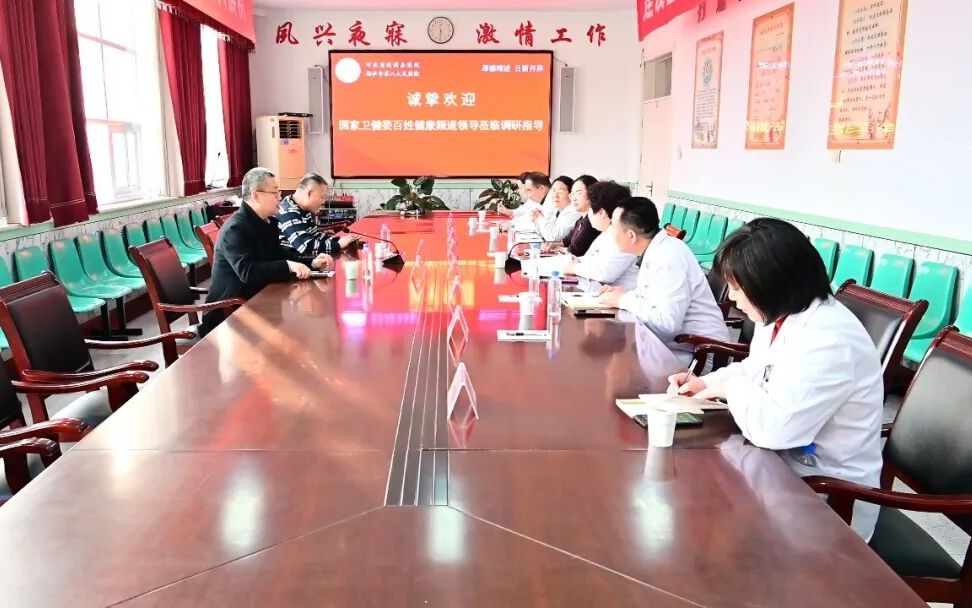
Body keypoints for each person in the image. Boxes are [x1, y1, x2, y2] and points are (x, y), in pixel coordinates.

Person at [667, 218, 883, 541]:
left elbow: (774, 430)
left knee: (703, 522)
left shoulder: (829, 340)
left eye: (737, 288)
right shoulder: (783, 315)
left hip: (828, 495)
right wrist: (707, 383)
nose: (733, 298)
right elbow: (755, 369)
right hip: (781, 469)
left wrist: (729, 388)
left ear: (771, 284)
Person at [199, 167, 333, 336]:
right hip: (229, 315)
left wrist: (311, 262)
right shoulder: (236, 228)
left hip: (258, 302)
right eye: (275, 192)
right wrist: (287, 265)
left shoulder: (267, 222)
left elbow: (279, 254)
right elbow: (248, 272)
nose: (280, 197)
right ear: (256, 195)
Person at [597, 197, 729, 357]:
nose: (610, 233)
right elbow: (653, 298)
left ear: (631, 235)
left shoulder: (668, 258)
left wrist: (623, 300)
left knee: (614, 356)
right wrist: (626, 294)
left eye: (614, 227)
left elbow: (667, 324)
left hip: (700, 351)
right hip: (674, 344)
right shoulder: (658, 249)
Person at [563, 181, 639, 291]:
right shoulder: (607, 232)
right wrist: (576, 261)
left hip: (617, 296)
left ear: (601, 212)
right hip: (601, 291)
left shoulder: (623, 236)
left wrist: (574, 267)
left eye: (590, 209)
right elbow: (590, 259)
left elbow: (604, 273)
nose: (589, 214)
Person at [278, 173, 359, 256]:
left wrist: (340, 240)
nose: (323, 202)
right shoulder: (289, 212)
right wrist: (338, 245)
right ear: (309, 193)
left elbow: (316, 236)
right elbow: (306, 247)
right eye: (322, 197)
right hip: (294, 261)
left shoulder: (301, 208)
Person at [532, 175, 579, 242]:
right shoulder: (556, 211)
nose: (555, 195)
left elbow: (553, 238)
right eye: (553, 191)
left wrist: (540, 218)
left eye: (560, 192)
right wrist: (537, 219)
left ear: (571, 195)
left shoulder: (574, 213)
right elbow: (542, 234)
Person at [561, 175, 599, 256]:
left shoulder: (592, 221)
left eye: (578, 193)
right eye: (572, 194)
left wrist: (556, 248)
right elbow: (566, 241)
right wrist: (552, 244)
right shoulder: (581, 219)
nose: (574, 198)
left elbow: (574, 251)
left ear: (591, 194)